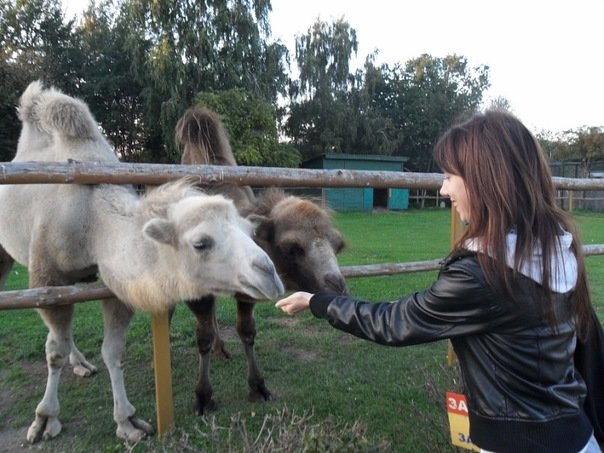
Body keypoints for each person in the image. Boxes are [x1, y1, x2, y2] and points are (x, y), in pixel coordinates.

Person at [275, 110, 602, 453]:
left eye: (449, 176)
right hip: (577, 436)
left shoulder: (483, 273)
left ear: (485, 179)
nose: (443, 189)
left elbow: (395, 322)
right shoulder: (555, 246)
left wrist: (317, 301)